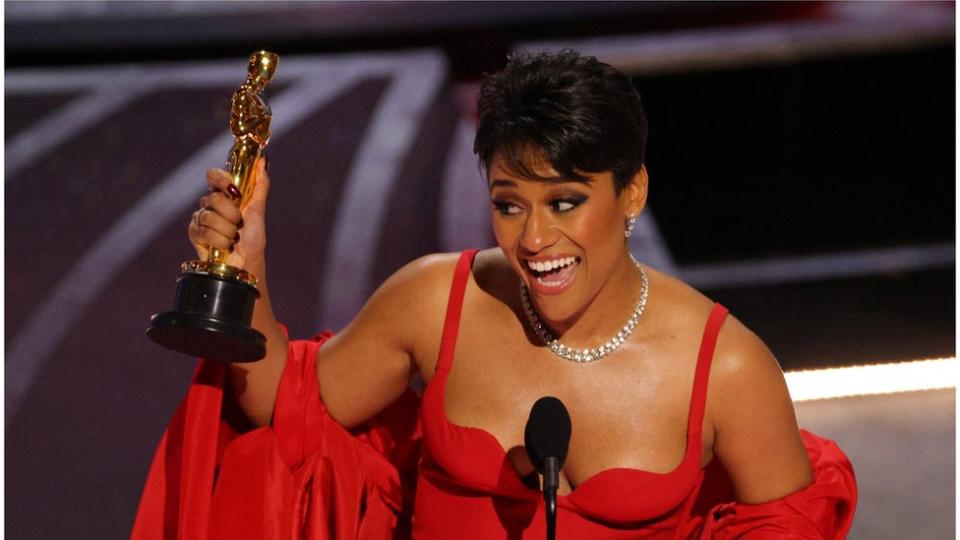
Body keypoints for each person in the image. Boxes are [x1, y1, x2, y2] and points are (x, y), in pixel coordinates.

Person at [133, 50, 856, 538]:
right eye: (510, 204)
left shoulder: (727, 369)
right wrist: (247, 262)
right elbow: (283, 418)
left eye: (566, 202)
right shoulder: (434, 301)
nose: (535, 239)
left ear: (631, 190)